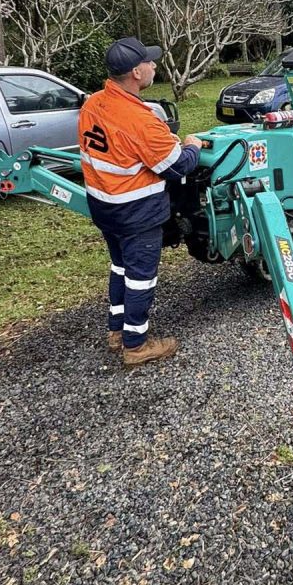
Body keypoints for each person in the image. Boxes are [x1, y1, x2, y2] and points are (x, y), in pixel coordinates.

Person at [78, 37, 203, 367]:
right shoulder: (140, 119)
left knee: (120, 267)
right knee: (140, 278)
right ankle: (135, 345)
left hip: (104, 207)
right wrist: (192, 144)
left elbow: (121, 151)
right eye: (150, 62)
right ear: (136, 72)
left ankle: (116, 331)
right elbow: (178, 166)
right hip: (136, 213)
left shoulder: (93, 104)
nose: (155, 65)